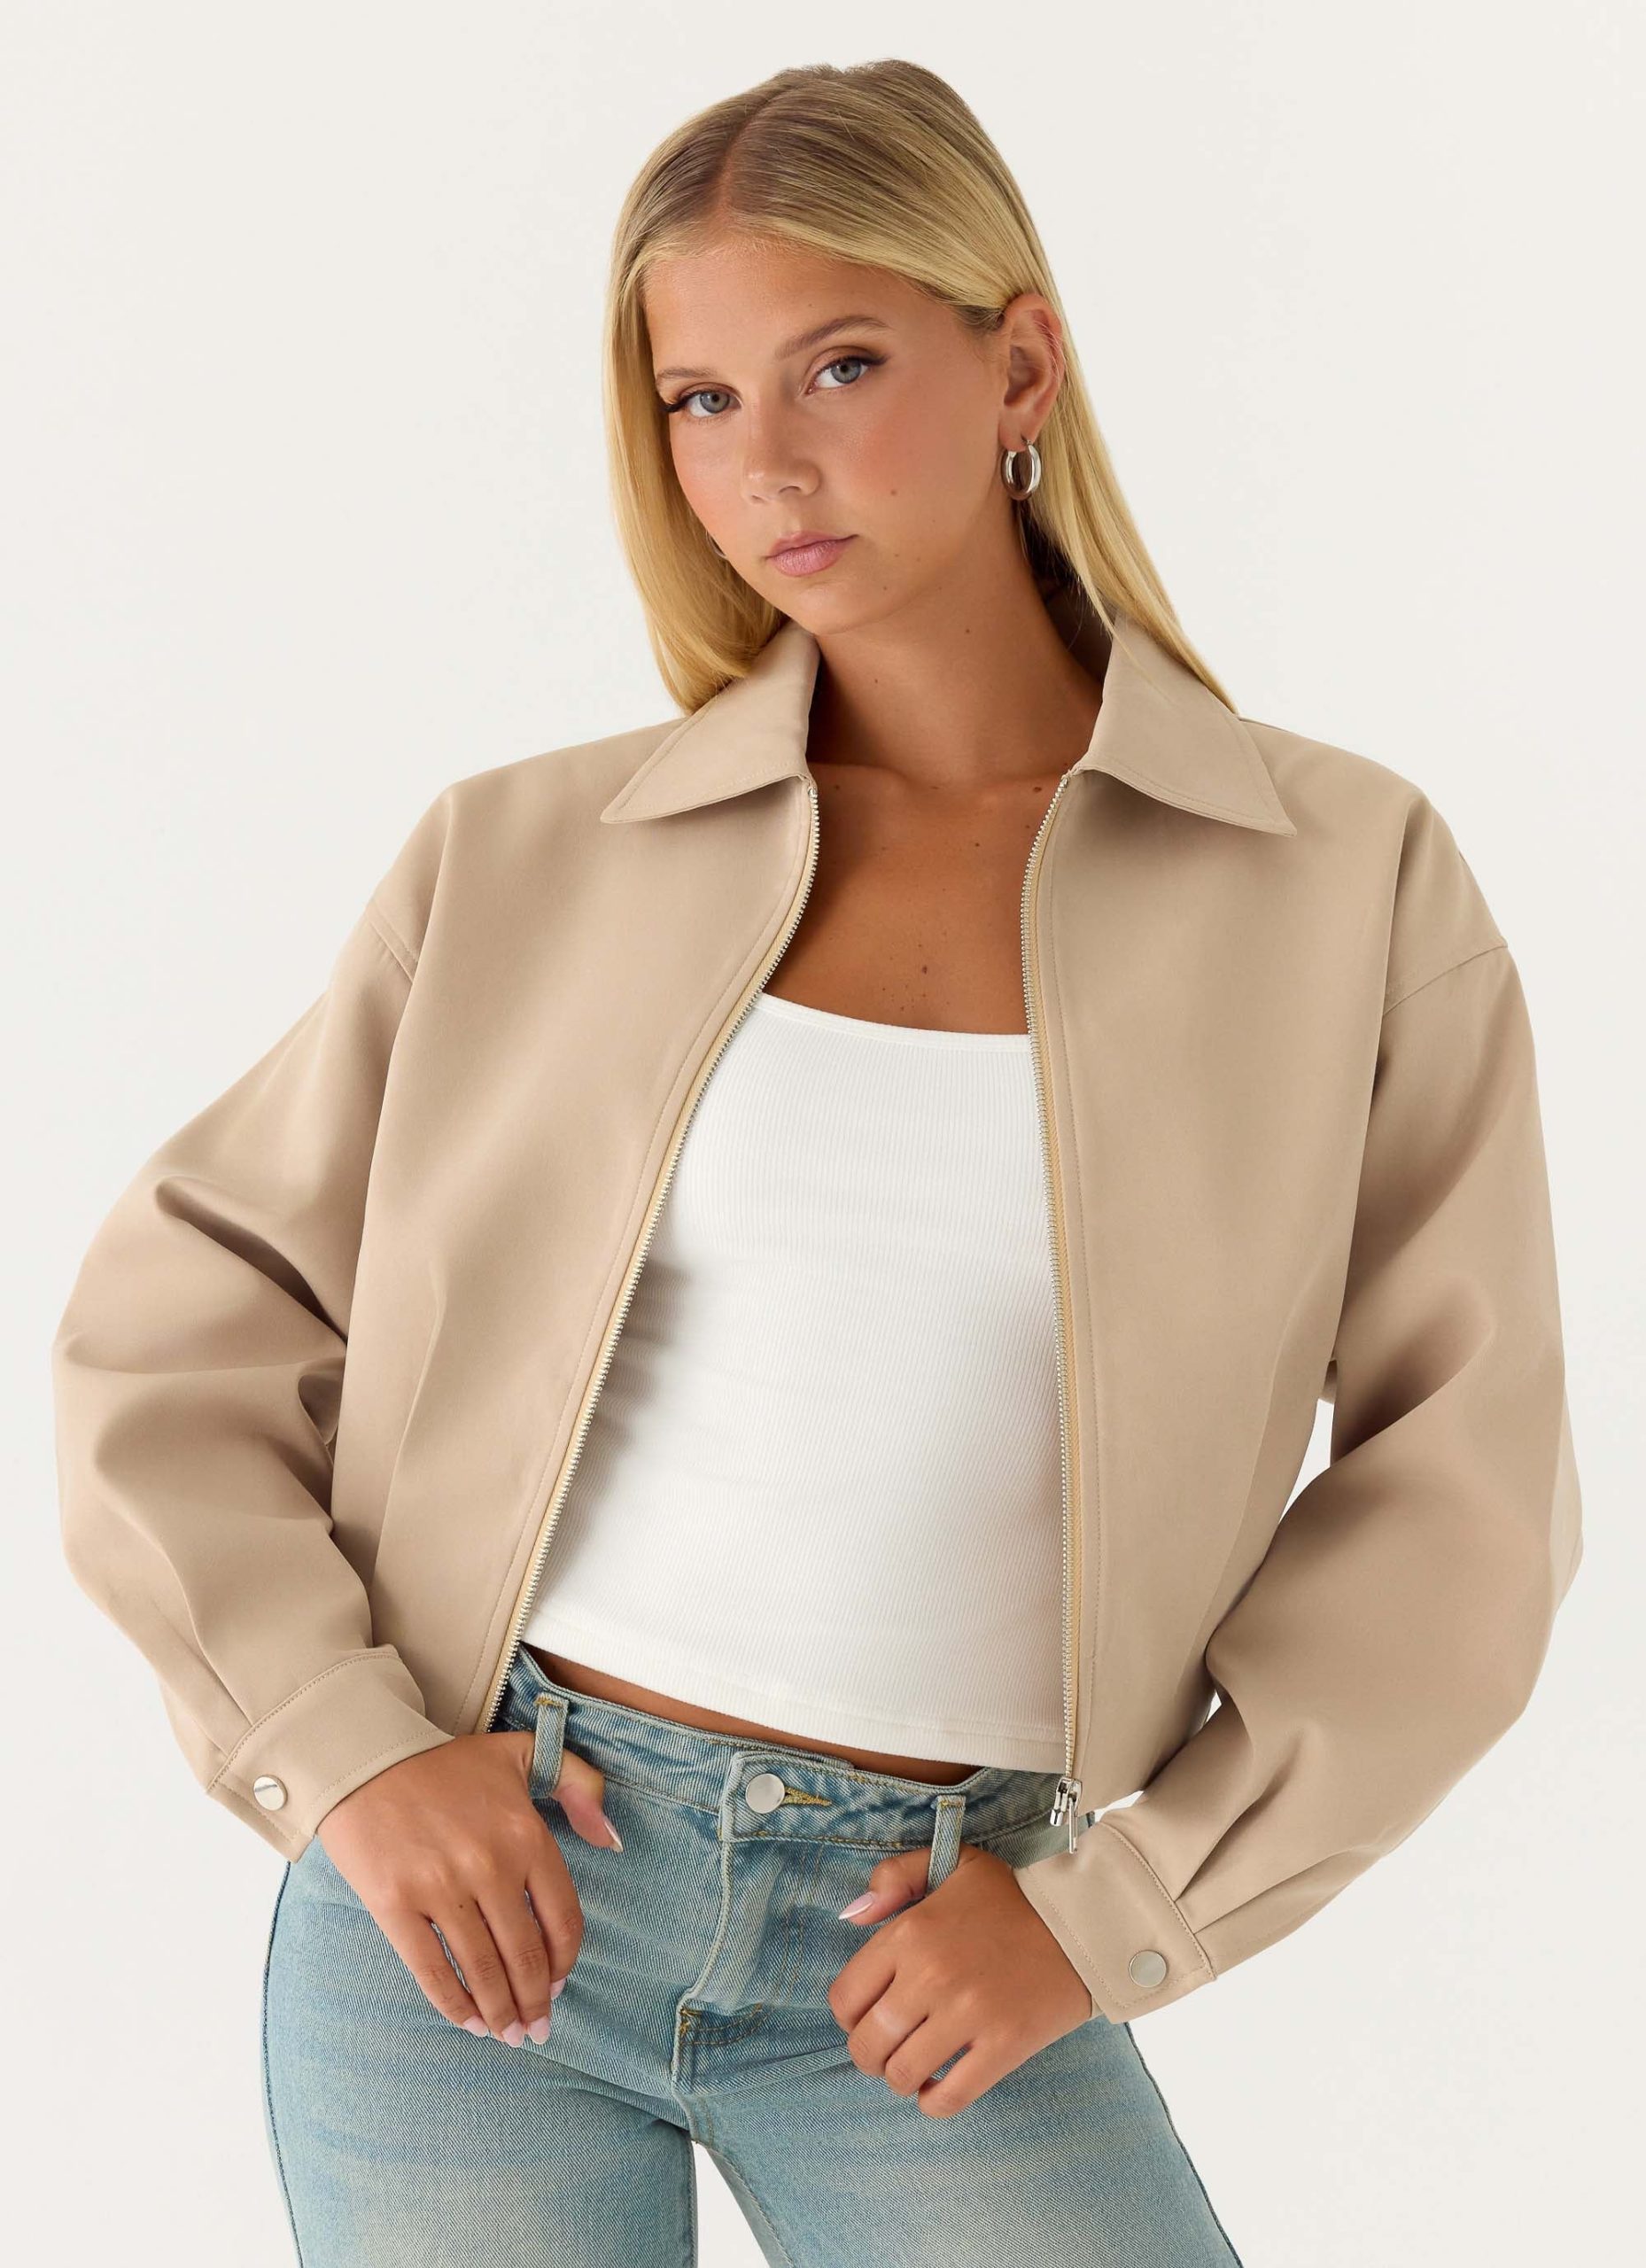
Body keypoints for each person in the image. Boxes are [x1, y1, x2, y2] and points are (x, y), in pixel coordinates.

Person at [50, 57, 1582, 2268]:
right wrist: (345, 1749)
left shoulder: (1333, 880)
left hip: (936, 1935)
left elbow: (1465, 1481)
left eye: (839, 366)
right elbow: (174, 1330)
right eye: (697, 400)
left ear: (1018, 365)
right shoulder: (535, 855)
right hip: (486, 1903)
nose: (763, 460)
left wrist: (1117, 1910)